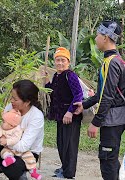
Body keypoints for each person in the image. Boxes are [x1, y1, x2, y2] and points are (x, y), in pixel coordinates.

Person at [73, 20, 125, 180]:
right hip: (116, 118)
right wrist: (84, 105)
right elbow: (101, 93)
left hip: (112, 119)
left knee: (107, 159)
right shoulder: (114, 60)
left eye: (97, 35)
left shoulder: (111, 63)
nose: (95, 39)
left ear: (105, 37)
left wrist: (95, 122)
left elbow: (108, 96)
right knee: (110, 157)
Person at [44, 47, 83, 179]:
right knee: (61, 144)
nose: (60, 63)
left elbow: (78, 94)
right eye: (57, 60)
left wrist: (70, 112)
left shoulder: (70, 75)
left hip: (70, 116)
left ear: (68, 62)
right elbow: (53, 91)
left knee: (69, 146)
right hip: (60, 116)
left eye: (63, 60)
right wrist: (47, 83)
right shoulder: (56, 75)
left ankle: (69, 173)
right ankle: (64, 167)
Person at [0, 109, 41, 180]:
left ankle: (33, 171)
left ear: (11, 125)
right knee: (4, 152)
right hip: (9, 149)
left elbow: (15, 139)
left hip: (22, 150)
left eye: (3, 121)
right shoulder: (2, 128)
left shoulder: (17, 129)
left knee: (30, 157)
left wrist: (7, 141)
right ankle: (9, 159)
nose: (1, 123)